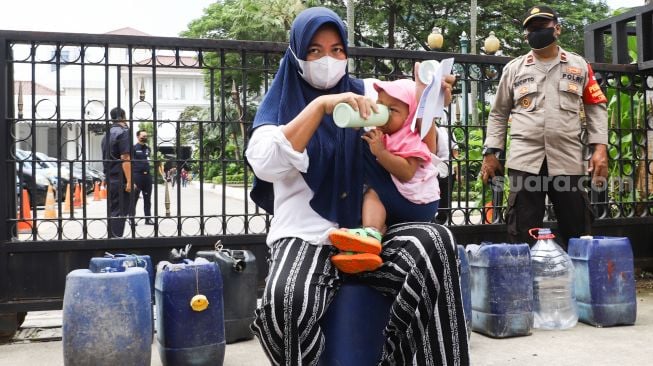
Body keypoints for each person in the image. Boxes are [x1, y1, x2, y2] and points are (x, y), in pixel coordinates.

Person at [245, 7, 468, 365]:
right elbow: (265, 162)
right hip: (308, 235)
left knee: (434, 244)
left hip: (371, 232)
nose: (328, 60)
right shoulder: (280, 108)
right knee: (287, 300)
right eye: (315, 50)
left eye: (337, 50)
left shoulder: (366, 93)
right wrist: (320, 107)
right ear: (297, 55)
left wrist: (428, 102)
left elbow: (423, 145)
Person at [480, 5, 608, 249]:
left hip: (568, 158)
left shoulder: (579, 65)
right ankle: (524, 284)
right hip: (525, 160)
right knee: (523, 231)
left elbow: (595, 106)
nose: (536, 32)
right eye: (531, 29)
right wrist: (490, 152)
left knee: (578, 230)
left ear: (557, 29)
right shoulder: (514, 69)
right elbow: (498, 113)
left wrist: (599, 148)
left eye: (542, 27)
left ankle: (578, 284)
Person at [328, 79, 441, 273]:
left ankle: (370, 232)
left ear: (410, 116)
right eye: (380, 105)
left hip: (418, 204)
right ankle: (369, 245)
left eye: (393, 110)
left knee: (373, 192)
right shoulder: (387, 134)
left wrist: (380, 152)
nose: (383, 112)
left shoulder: (409, 137)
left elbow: (406, 172)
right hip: (404, 196)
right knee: (364, 154)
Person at [101, 107, 133, 238]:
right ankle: (115, 243)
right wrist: (130, 181)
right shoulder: (123, 132)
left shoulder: (107, 134)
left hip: (110, 177)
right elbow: (125, 157)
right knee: (120, 214)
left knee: (113, 212)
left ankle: (111, 240)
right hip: (121, 178)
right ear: (123, 116)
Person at [132, 130, 154, 225]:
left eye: (146, 136)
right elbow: (130, 164)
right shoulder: (133, 148)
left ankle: (148, 218)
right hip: (137, 176)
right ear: (137, 136)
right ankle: (131, 219)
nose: (145, 137)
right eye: (143, 136)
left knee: (147, 198)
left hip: (147, 176)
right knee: (134, 198)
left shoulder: (148, 148)